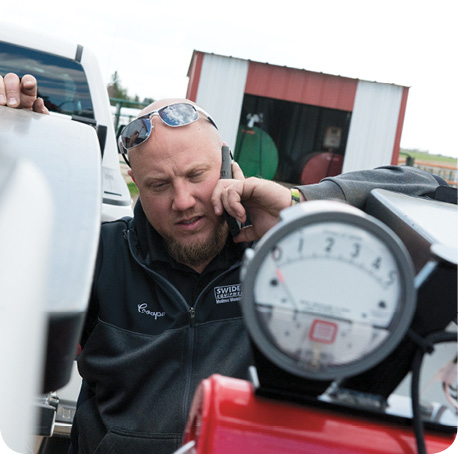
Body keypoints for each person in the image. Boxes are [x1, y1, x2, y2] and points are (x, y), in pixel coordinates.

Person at [1, 73, 447, 454]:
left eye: (196, 175)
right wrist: (25, 144)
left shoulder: (285, 254)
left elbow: (429, 191)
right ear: (134, 182)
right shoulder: (100, 254)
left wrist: (300, 202)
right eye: (158, 185)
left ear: (226, 163)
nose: (182, 201)